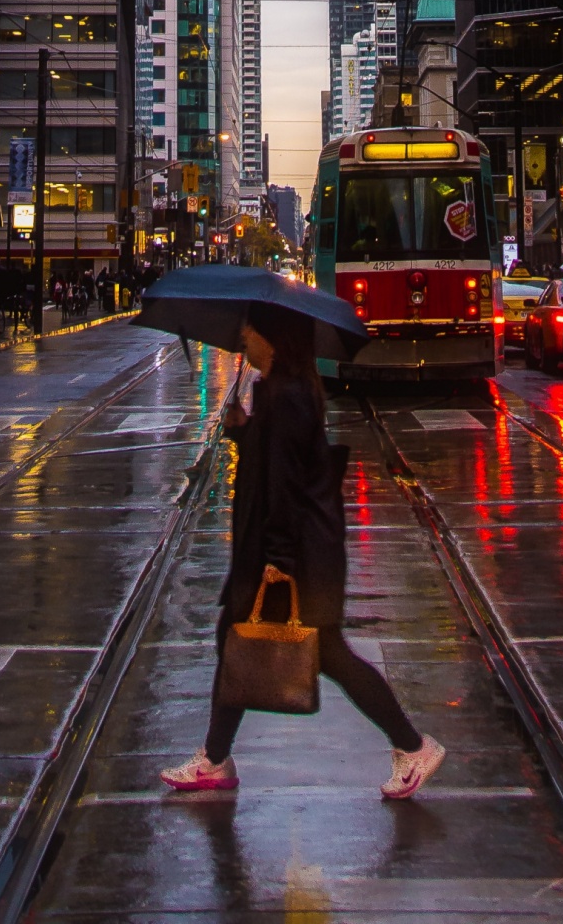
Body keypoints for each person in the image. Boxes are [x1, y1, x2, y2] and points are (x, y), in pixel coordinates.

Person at [161, 303, 444, 801]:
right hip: (290, 553)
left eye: (250, 327)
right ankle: (215, 758)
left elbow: (287, 488)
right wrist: (242, 431)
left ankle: (412, 744)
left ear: (271, 337)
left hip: (292, 558)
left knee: (321, 653)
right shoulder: (281, 393)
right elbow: (277, 465)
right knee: (239, 639)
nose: (243, 335)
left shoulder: (288, 397)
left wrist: (278, 563)